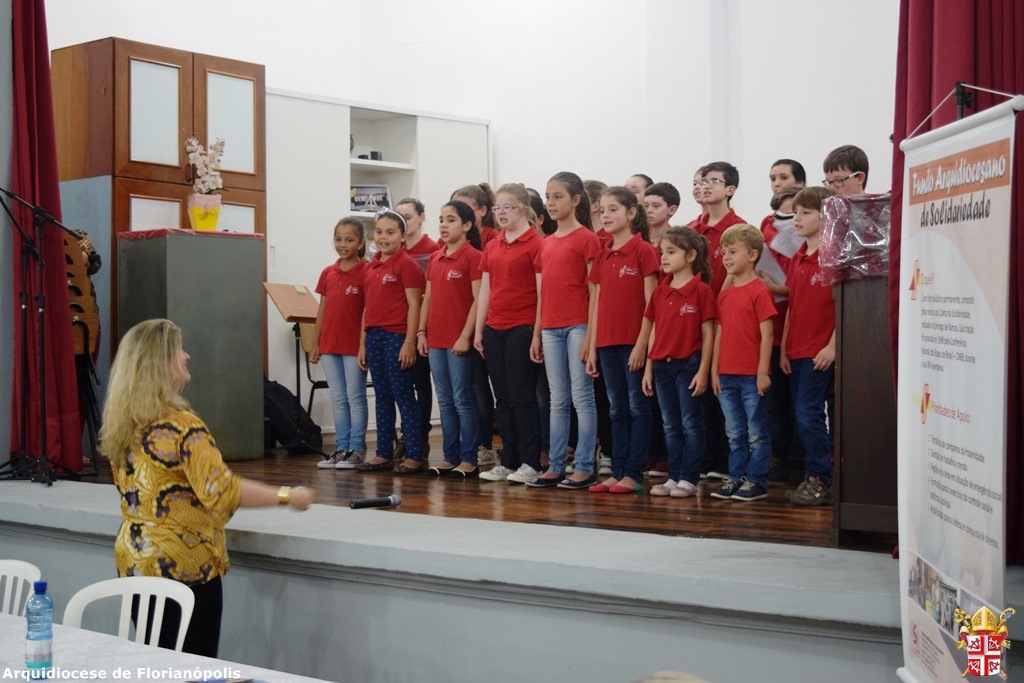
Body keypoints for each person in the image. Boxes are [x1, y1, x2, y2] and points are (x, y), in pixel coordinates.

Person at [100, 319, 314, 658]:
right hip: (183, 565)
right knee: (194, 666)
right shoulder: (183, 426)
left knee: (157, 663)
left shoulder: (123, 423)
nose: (187, 356)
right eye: (178, 350)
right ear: (159, 363)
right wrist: (287, 496)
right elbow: (222, 490)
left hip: (135, 558)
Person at [527, 171, 601, 489]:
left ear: (575, 200)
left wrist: (591, 338)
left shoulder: (587, 239)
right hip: (550, 328)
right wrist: (537, 333)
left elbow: (595, 293)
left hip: (578, 326)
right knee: (557, 399)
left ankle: (584, 466)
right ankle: (556, 466)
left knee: (582, 397)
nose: (550, 203)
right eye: (548, 197)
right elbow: (542, 294)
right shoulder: (546, 244)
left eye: (557, 197)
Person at [586, 186, 659, 494]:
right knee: (616, 408)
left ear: (631, 213)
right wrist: (592, 347)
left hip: (633, 342)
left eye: (613, 209)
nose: (605, 215)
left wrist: (643, 345)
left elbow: (652, 305)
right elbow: (597, 304)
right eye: (602, 210)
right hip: (606, 342)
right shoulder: (603, 253)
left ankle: (633, 472)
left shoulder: (644, 250)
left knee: (637, 407)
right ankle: (617, 471)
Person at [476, 184, 544, 483]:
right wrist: (479, 330)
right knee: (502, 398)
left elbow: (543, 294)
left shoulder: (536, 243)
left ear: (524, 209)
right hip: (495, 327)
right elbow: (486, 290)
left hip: (523, 325)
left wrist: (537, 333)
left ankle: (531, 461)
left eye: (508, 207)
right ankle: (509, 459)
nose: (501, 213)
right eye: (497, 208)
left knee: (521, 397)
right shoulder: (493, 245)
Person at [641, 227, 716, 498]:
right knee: (670, 425)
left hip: (688, 365)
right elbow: (654, 330)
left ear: (691, 256)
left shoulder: (702, 291)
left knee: (690, 424)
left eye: (671, 252)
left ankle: (689, 477)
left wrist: (703, 371)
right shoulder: (660, 292)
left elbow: (708, 334)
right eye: (662, 252)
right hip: (662, 366)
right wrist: (648, 368)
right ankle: (674, 476)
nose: (663, 257)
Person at [710, 223, 776, 502]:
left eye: (732, 251)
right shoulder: (724, 294)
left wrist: (762, 372)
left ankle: (757, 480)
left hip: (750, 376)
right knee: (734, 432)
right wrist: (714, 371)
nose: (726, 257)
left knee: (756, 431)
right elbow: (719, 333)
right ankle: (736, 477)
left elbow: (768, 334)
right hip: (726, 375)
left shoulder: (759, 291)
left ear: (752, 255)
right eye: (724, 252)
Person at [356, 210, 426, 473]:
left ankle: (414, 455)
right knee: (382, 396)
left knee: (403, 395)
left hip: (397, 336)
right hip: (374, 336)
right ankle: (383, 453)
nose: (383, 237)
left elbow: (414, 304)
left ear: (403, 236)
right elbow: (367, 308)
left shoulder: (406, 265)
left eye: (390, 232)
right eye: (379, 232)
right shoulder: (371, 266)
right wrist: (362, 343)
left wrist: (409, 341)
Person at [780, 187, 837, 506]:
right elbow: (793, 305)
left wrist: (832, 347)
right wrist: (785, 346)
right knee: (802, 414)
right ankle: (812, 476)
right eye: (795, 213)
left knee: (809, 413)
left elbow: (844, 306)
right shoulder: (798, 257)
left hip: (819, 351)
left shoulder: (833, 256)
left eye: (805, 213)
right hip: (797, 349)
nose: (797, 219)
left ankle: (821, 478)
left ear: (825, 216)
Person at [418, 200, 482, 477]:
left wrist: (465, 336)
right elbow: (428, 298)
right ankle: (449, 456)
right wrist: (421, 332)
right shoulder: (435, 258)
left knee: (462, 399)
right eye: (441, 219)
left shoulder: (473, 257)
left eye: (451, 220)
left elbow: (478, 300)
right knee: (444, 400)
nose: (443, 225)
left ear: (467, 225)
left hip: (458, 340)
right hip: (436, 340)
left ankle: (469, 458)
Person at [311, 217, 369, 469]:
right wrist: (316, 343)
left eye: (349, 239)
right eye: (338, 239)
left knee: (355, 397)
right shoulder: (328, 273)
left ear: (361, 243)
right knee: (337, 397)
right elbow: (322, 310)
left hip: (353, 346)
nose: (342, 244)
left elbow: (367, 312)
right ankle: (341, 448)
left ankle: (356, 448)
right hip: (330, 345)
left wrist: (363, 345)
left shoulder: (367, 272)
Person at [759, 183, 806, 485]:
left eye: (796, 215)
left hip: (803, 335)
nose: (790, 222)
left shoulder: (808, 249)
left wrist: (778, 288)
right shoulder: (765, 232)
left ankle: (801, 463)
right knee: (774, 402)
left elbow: (800, 289)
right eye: (782, 217)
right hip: (773, 331)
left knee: (800, 405)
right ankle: (779, 457)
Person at [452, 184, 498, 466]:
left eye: (465, 208)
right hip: (461, 325)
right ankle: (472, 444)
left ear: (481, 212)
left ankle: (486, 445)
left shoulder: (492, 239)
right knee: (467, 389)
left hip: (488, 323)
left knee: (483, 388)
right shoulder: (452, 244)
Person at [395, 198, 436, 461]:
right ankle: (406, 433)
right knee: (401, 385)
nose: (403, 222)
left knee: (421, 382)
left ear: (421, 218)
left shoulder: (433, 249)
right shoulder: (393, 250)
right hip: (397, 325)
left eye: (408, 217)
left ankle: (420, 435)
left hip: (423, 326)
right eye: (398, 217)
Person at [694, 161, 747, 296]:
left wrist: (720, 301)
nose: (707, 186)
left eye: (714, 181)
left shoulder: (740, 228)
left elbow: (738, 272)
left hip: (725, 302)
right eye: (704, 182)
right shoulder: (694, 230)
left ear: (730, 190)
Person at [642, 181, 680, 247]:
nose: (649, 210)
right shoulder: (636, 239)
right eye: (646, 206)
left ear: (672, 210)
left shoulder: (679, 243)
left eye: (656, 206)